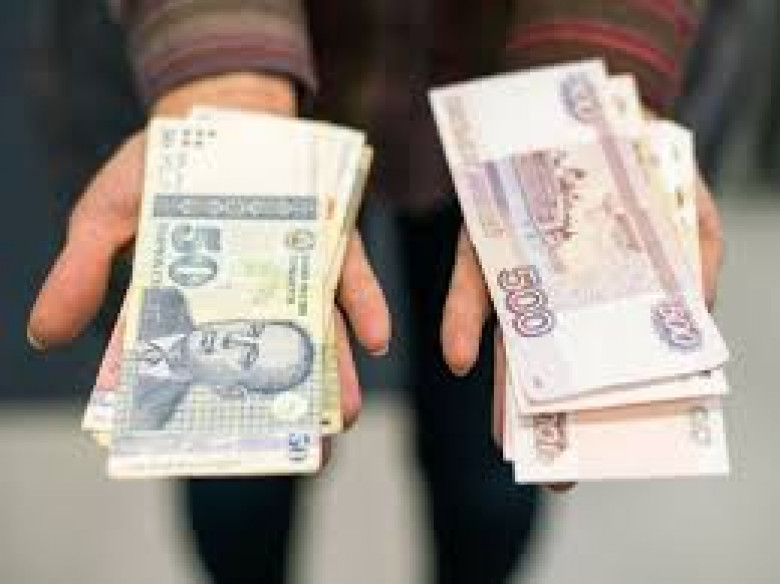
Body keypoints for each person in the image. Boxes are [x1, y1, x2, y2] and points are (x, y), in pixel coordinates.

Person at [27, 2, 724, 583]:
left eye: (246, 345)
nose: (235, 338)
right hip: (267, 71)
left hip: (513, 87)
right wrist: (224, 72)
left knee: (492, 474)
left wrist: (592, 63)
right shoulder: (182, 360)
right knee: (237, 486)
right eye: (251, 348)